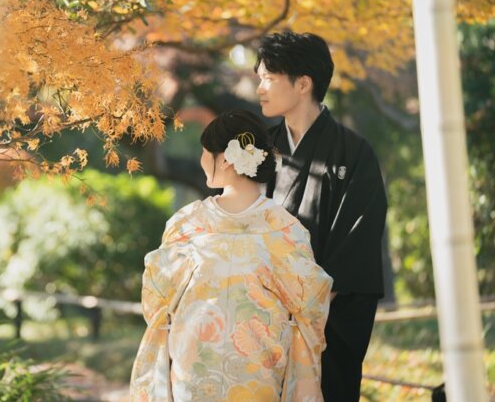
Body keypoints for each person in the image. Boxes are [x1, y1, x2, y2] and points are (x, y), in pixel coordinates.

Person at [130, 109, 332, 401]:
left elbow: (156, 300)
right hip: (256, 379)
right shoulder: (285, 230)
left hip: (196, 377)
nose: (202, 160)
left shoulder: (187, 225)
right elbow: (311, 307)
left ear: (224, 159)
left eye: (205, 152)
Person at [254, 31, 388, 401]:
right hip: (260, 319)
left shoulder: (354, 153)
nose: (259, 88)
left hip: (328, 318)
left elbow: (358, 240)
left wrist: (307, 308)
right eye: (259, 78)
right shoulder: (258, 150)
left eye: (268, 78)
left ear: (303, 84)